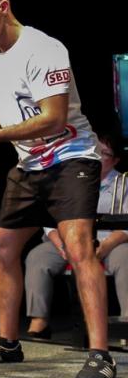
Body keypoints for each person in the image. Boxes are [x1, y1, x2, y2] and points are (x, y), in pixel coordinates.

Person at [0, 0, 115, 378]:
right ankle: (9, 344)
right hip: (29, 165)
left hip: (71, 157)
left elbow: (54, 118)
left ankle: (101, 354)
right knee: (2, 247)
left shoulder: (44, 49)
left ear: (3, 7)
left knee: (79, 247)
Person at [25, 134, 128, 338]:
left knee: (125, 257)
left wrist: (106, 246)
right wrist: (60, 243)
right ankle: (39, 321)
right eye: (95, 151)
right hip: (68, 239)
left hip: (110, 242)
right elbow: (49, 219)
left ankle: (127, 320)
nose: (97, 157)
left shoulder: (123, 183)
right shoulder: (70, 179)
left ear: (115, 160)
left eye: (104, 153)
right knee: (37, 256)